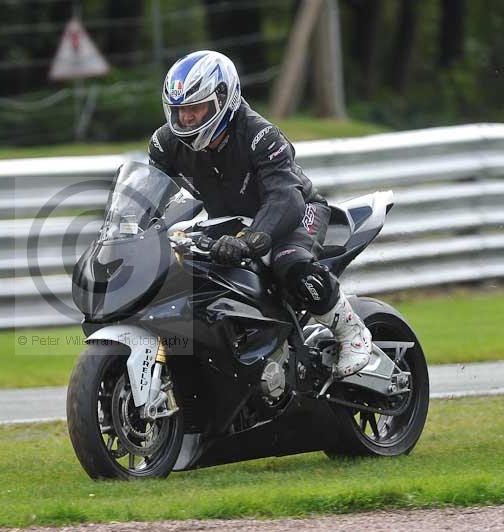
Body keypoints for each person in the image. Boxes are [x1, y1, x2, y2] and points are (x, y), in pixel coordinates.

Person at [148, 50, 371, 378]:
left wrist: (249, 241)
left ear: (222, 100)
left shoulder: (260, 135)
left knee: (290, 262)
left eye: (195, 109)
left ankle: (351, 333)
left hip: (295, 212)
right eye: (180, 111)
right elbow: (151, 195)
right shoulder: (166, 144)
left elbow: (285, 197)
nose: (187, 120)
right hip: (229, 221)